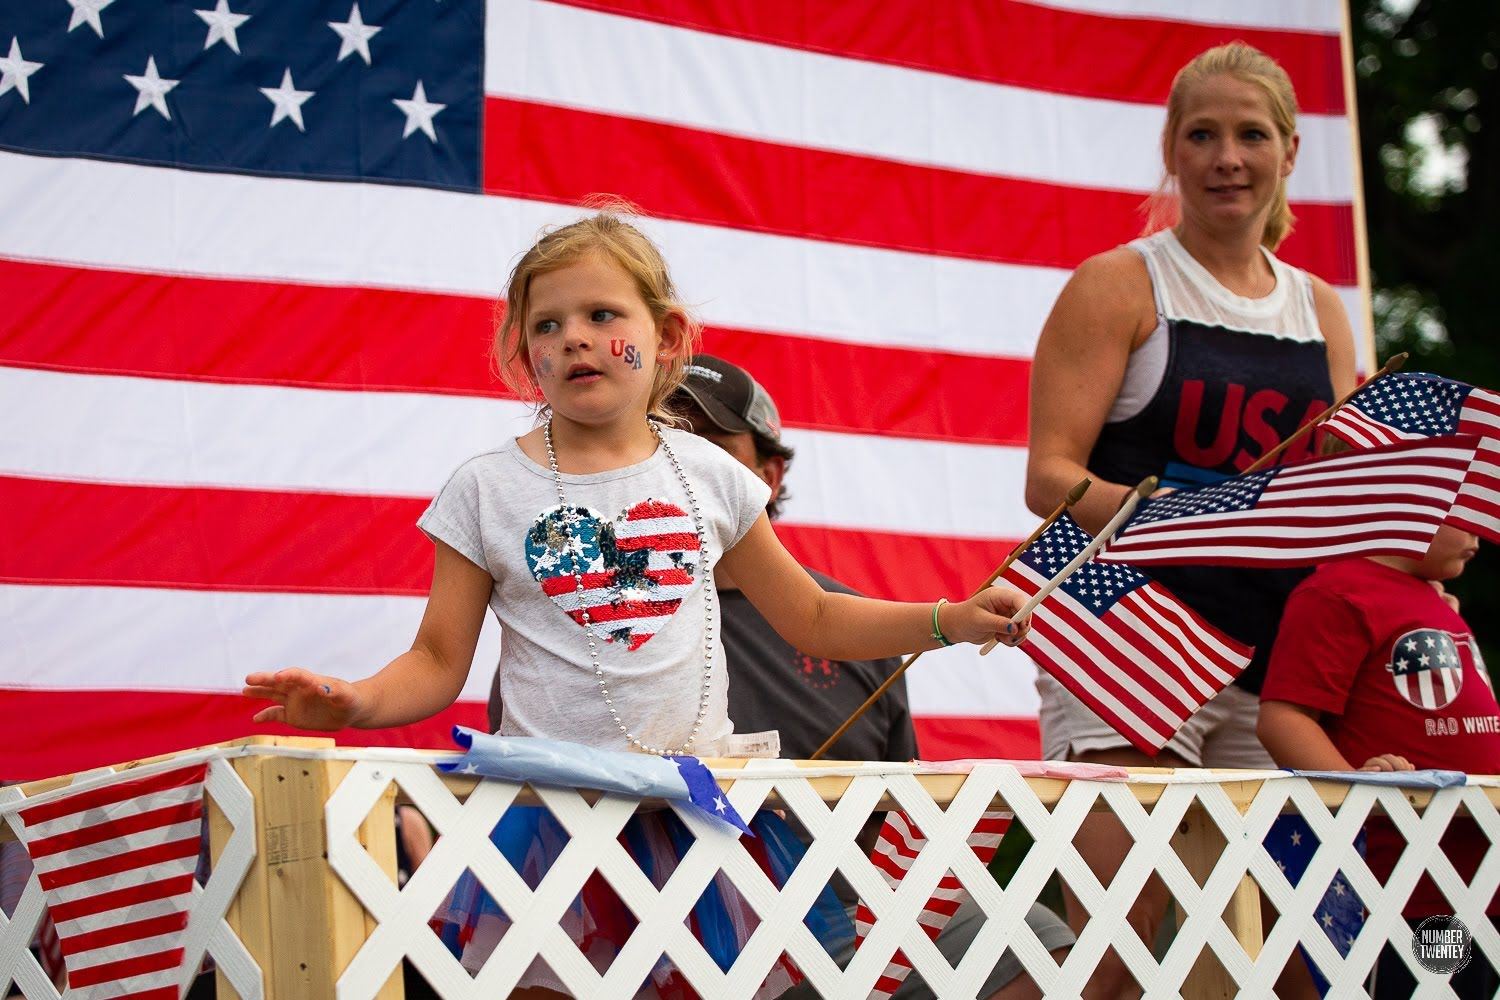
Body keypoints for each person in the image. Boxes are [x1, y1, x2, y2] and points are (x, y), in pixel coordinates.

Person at [243, 207, 1032, 997]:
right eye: (547, 325)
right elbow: (437, 660)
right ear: (526, 355)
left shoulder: (711, 477)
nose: (575, 338)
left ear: (667, 337)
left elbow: (814, 617)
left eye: (601, 314)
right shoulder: (485, 489)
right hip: (547, 820)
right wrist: (356, 702)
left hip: (693, 824)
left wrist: (947, 620)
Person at [1022, 42, 1358, 996]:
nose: (1227, 158)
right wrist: (1191, 512)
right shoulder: (1122, 283)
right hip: (1130, 638)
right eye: (1201, 136)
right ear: (1171, 152)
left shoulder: (1321, 309)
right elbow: (1049, 479)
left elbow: (1341, 491)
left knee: (1291, 951)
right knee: (1118, 944)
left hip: (1273, 656)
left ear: (1290, 153)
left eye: (1251, 135)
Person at [670, 354, 1075, 999]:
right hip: (667, 905)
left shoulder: (854, 622)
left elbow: (902, 804)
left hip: (848, 902)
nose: (684, 462)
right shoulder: (593, 609)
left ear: (768, 476)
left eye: (711, 445)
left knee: (1032, 943)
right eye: (664, 438)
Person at [1259, 524, 1500, 998]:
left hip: (1478, 873)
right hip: (1408, 884)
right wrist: (1354, 788)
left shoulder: (1430, 595)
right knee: (1430, 990)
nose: (1481, 531)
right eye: (1461, 510)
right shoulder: (1338, 591)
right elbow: (1283, 717)